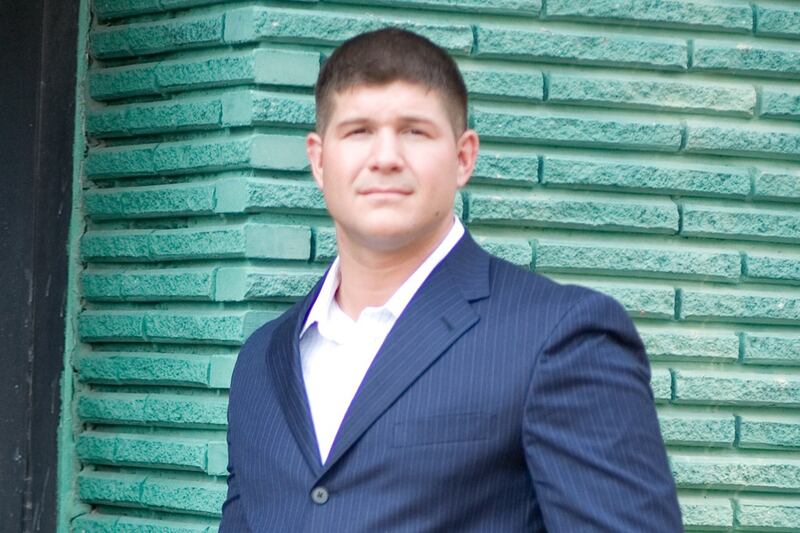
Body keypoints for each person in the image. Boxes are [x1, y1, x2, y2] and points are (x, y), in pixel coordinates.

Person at [221, 27, 682, 532]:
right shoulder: (261, 360)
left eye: (415, 131)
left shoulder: (560, 335)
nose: (385, 157)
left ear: (464, 158)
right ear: (318, 159)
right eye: (358, 132)